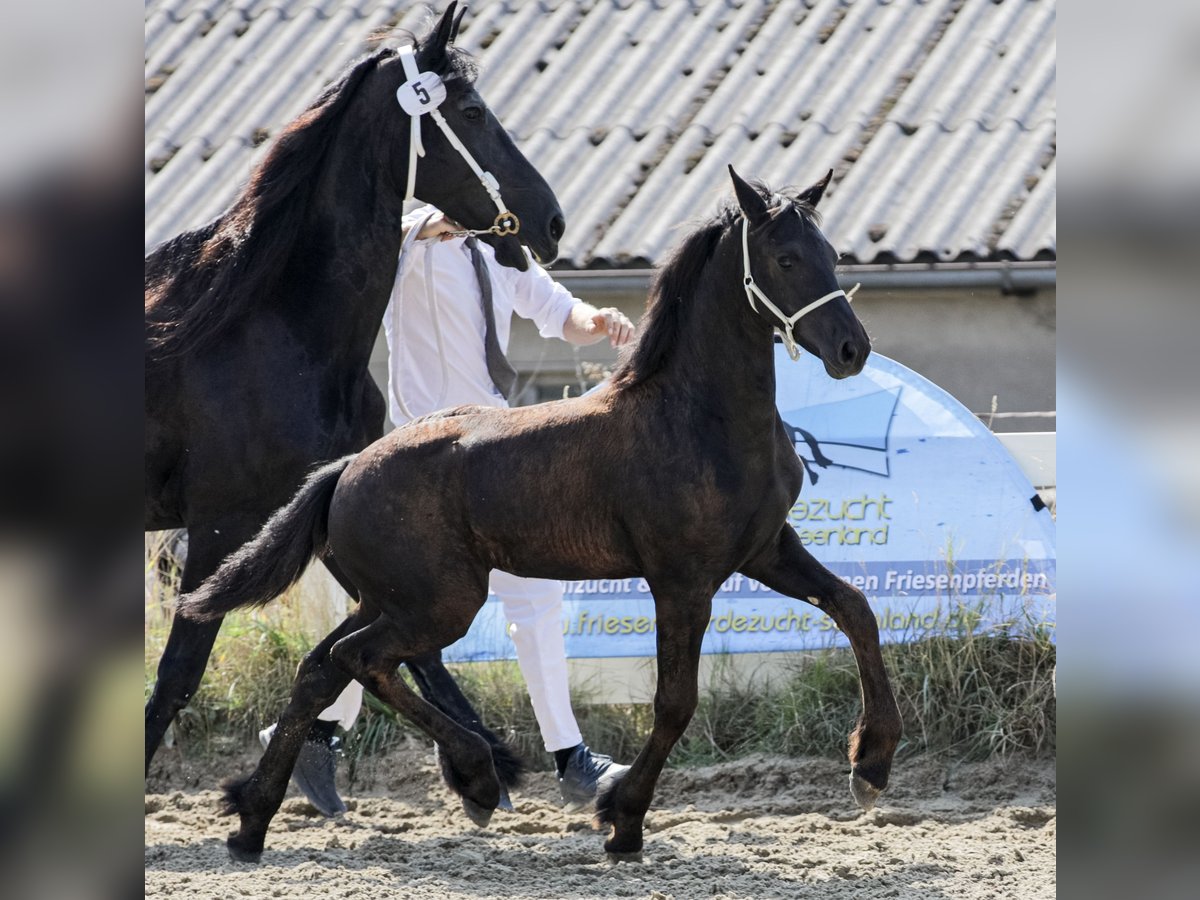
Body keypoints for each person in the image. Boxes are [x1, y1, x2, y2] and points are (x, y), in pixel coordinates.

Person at [261, 205, 636, 817]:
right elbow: (356, 240)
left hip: (493, 451)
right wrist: (416, 229)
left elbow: (556, 311)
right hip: (419, 459)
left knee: (534, 597)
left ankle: (572, 759)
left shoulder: (501, 250)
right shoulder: (405, 247)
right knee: (387, 613)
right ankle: (316, 733)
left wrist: (599, 321)